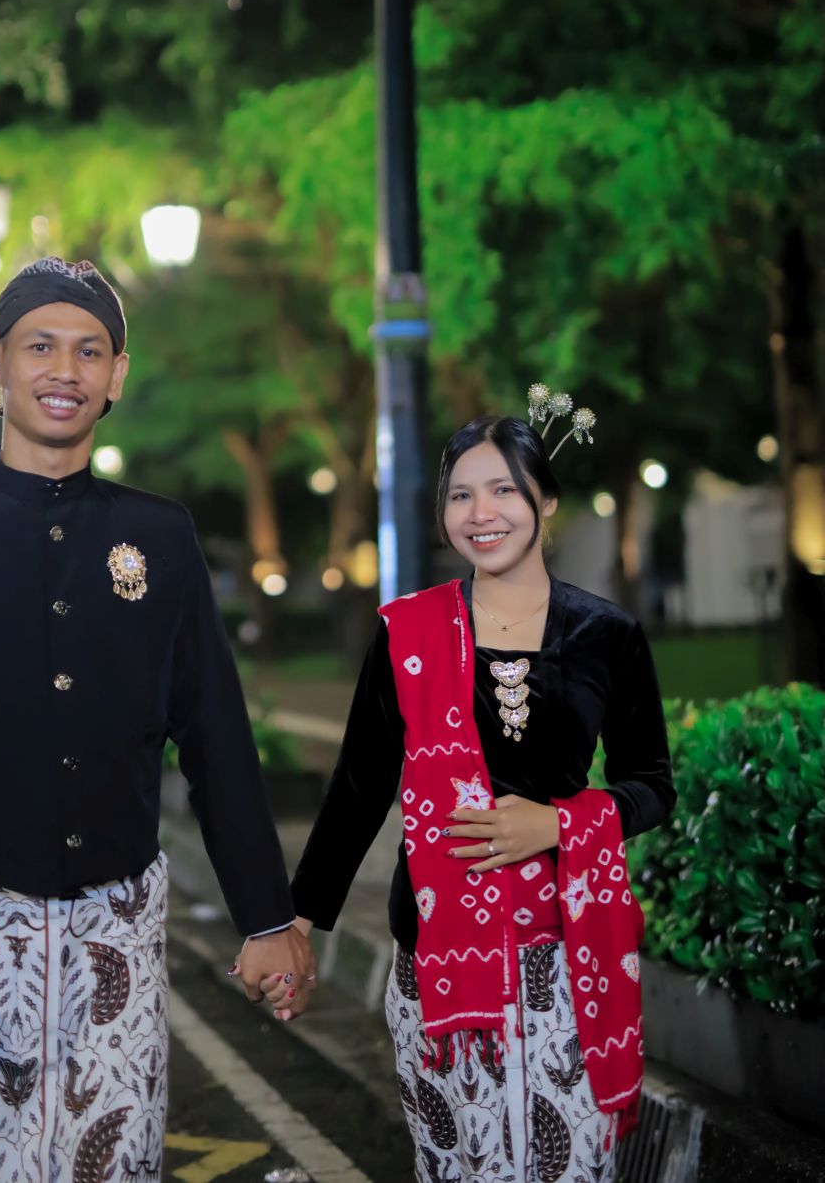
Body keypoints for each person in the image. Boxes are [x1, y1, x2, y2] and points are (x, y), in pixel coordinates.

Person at [0, 255, 314, 1183]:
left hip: (119, 928)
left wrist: (267, 916)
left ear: (118, 376)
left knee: (119, 1163)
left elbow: (215, 736)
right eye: (40, 347)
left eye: (90, 351)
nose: (65, 370)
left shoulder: (161, 535)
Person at [268, 397, 675, 1183]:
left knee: (568, 1163)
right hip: (439, 963)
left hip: (566, 958)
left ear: (545, 501)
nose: (481, 513)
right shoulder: (406, 632)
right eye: (461, 494)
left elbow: (652, 785)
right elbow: (359, 789)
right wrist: (297, 923)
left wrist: (559, 824)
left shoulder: (607, 636)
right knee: (460, 1164)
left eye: (503, 490)